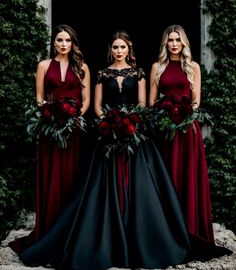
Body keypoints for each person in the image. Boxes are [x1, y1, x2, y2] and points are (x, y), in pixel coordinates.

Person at [13, 30, 190, 270]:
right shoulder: (101, 73)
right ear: (111, 50)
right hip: (107, 133)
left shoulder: (138, 73)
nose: (119, 51)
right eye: (115, 47)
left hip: (134, 134)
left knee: (141, 188)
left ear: (129, 49)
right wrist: (109, 121)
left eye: (123, 47)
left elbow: (142, 104)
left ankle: (141, 238)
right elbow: (96, 107)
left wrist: (131, 122)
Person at [149, 24, 232, 259]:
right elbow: (151, 102)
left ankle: (191, 231)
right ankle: (167, 233)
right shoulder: (157, 67)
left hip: (187, 129)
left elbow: (196, 102)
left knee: (188, 177)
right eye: (170, 40)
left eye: (178, 40)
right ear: (165, 43)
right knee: (168, 177)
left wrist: (185, 116)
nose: (174, 44)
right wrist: (164, 115)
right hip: (166, 130)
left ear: (184, 43)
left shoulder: (193, 66)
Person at [9, 24, 90, 253]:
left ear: (72, 43)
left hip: (73, 130)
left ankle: (69, 230)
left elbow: (85, 100)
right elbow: (39, 98)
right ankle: (47, 229)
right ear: (53, 43)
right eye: (59, 40)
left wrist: (72, 119)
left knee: (72, 175)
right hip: (50, 130)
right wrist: (53, 117)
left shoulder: (82, 67)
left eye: (67, 40)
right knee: (51, 175)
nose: (63, 44)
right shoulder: (44, 65)